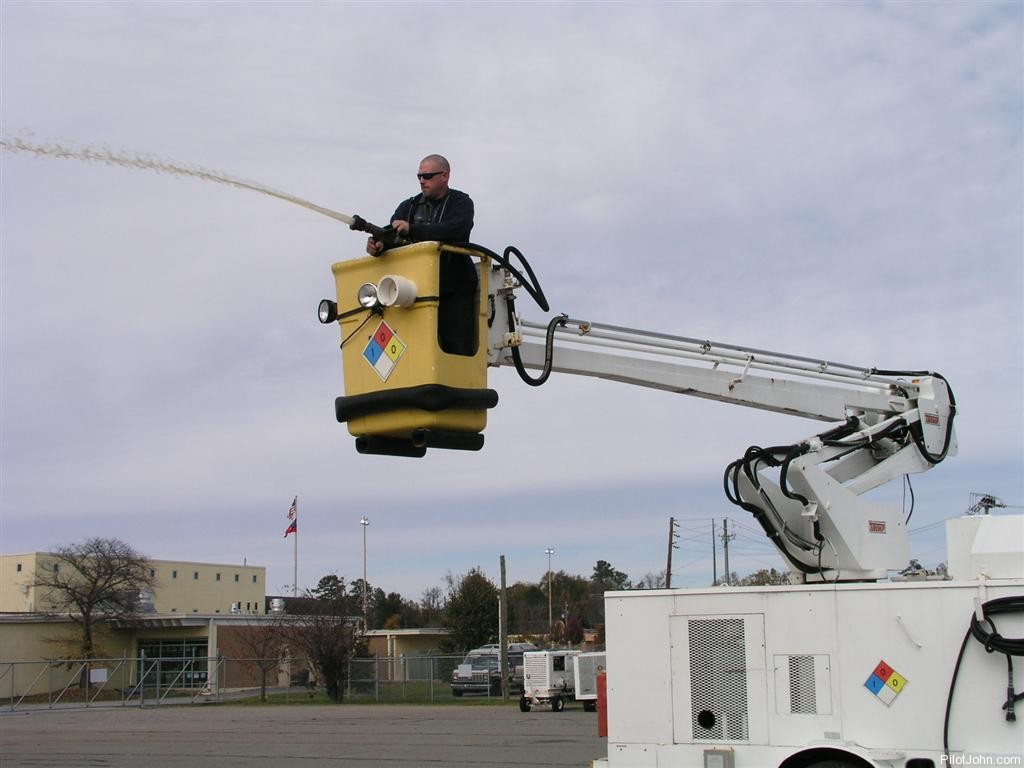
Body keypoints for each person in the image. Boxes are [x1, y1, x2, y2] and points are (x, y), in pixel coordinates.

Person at [366, 154, 474, 256]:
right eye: (419, 176)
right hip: (414, 268)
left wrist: (411, 229)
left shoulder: (461, 202)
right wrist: (381, 245)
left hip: (450, 268)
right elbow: (393, 236)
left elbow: (452, 231)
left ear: (444, 176)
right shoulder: (407, 207)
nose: (422, 181)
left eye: (427, 176)